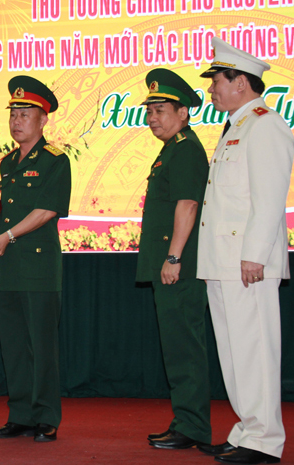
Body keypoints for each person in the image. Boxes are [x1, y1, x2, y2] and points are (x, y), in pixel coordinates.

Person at [196, 37, 294, 465]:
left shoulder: (265, 124)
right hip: (223, 262)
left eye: (217, 80)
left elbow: (270, 198)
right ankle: (246, 432)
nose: (211, 89)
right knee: (234, 354)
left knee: (254, 350)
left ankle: (265, 441)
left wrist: (255, 253)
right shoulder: (237, 126)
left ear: (239, 81)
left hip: (247, 263)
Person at [0, 76, 71, 442]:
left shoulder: (55, 161)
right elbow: (3, 216)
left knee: (42, 345)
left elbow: (46, 210)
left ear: (43, 119)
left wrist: (6, 237)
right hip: (8, 268)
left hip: (39, 267)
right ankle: (20, 414)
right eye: (13, 113)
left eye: (25, 113)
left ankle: (46, 416)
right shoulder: (6, 163)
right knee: (13, 344)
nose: (17, 120)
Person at [135, 69, 212, 450]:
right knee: (177, 345)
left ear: (183, 112)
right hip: (171, 264)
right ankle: (186, 420)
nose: (153, 118)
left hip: (179, 266)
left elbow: (188, 203)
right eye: (150, 111)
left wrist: (173, 256)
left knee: (185, 346)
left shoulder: (185, 149)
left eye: (161, 110)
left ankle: (193, 426)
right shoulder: (172, 150)